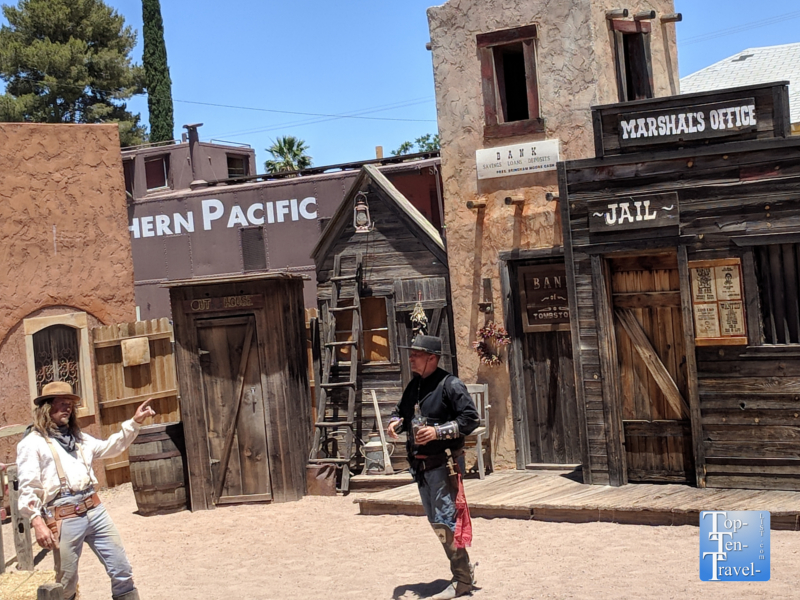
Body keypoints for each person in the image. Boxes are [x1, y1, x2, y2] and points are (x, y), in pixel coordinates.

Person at [16, 381, 156, 600]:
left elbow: (111, 447)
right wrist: (37, 522)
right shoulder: (32, 443)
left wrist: (134, 422)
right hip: (64, 515)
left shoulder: (79, 439)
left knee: (122, 570)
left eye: (70, 404)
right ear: (46, 408)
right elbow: (27, 488)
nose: (67, 408)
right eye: (61, 403)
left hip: (95, 510)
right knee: (66, 583)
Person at [388, 335, 480, 599]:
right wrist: (396, 422)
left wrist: (437, 432)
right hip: (421, 467)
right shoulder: (414, 386)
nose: (411, 358)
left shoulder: (451, 385)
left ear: (432, 358)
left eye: (416, 354)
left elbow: (470, 419)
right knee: (436, 522)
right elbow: (402, 412)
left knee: (446, 521)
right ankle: (465, 572)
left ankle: (462, 580)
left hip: (444, 464)